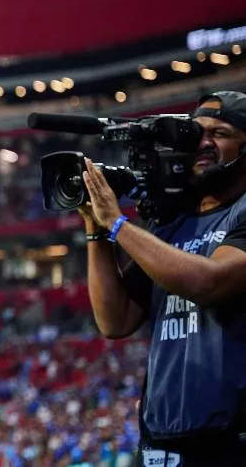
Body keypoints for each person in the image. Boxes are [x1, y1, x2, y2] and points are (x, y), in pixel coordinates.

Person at [81, 90, 246, 466]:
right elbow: (115, 319)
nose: (202, 143)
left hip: (230, 442)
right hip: (161, 443)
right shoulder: (173, 222)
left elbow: (209, 283)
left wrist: (118, 224)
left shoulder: (241, 213)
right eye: (195, 134)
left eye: (219, 133)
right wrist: (95, 227)